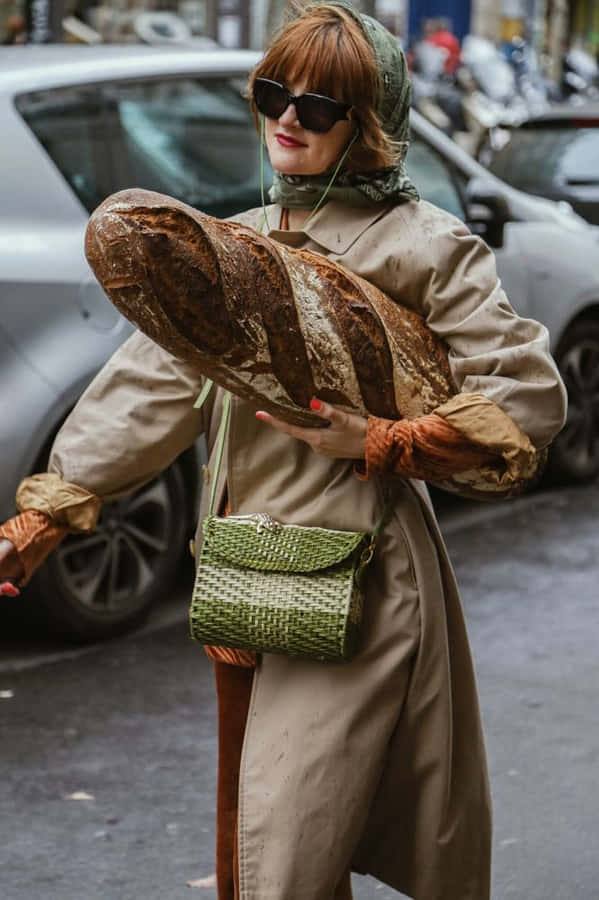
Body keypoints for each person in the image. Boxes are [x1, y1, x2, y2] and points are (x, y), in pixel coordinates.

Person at [0, 3, 566, 898]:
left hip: (364, 588)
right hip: (245, 575)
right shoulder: (242, 242)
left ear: (370, 124)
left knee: (282, 852)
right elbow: (148, 383)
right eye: (272, 94)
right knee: (265, 844)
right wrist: (49, 508)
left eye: (321, 104)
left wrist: (381, 439)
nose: (287, 119)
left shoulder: (427, 246)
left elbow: (524, 397)